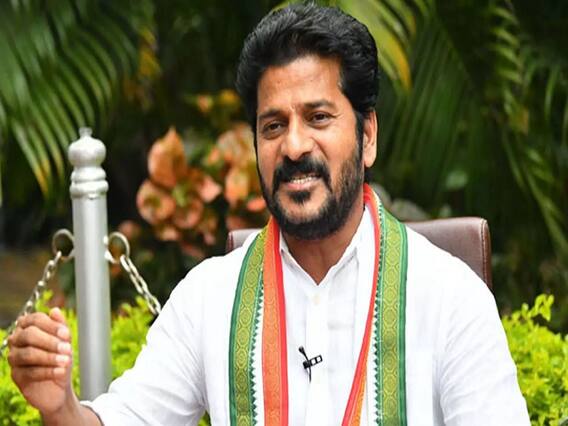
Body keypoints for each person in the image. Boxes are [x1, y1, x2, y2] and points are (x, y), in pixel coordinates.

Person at [7, 4, 530, 425]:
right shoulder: (210, 297)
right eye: (273, 126)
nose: (294, 146)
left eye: (318, 117)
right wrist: (60, 406)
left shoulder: (450, 299)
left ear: (367, 136)